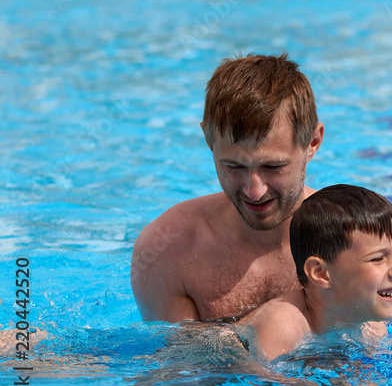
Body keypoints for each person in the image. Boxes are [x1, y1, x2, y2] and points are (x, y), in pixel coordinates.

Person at [130, 53, 324, 322]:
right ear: (209, 141)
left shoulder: (356, 243)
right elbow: (178, 361)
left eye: (272, 166)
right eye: (234, 167)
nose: (254, 191)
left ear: (313, 142)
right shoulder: (168, 249)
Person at [236, 184, 392, 362]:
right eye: (377, 259)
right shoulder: (282, 327)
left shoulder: (373, 328)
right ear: (321, 273)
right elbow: (262, 384)